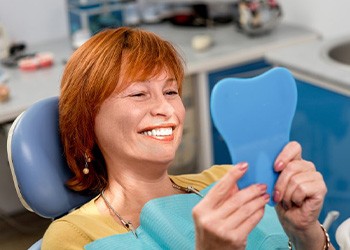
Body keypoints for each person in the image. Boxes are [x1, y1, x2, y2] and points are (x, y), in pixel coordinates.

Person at [42, 27, 334, 250]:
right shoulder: (74, 237)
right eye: (139, 94)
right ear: (87, 121)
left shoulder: (228, 181)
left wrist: (306, 235)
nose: (167, 109)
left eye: (171, 92)